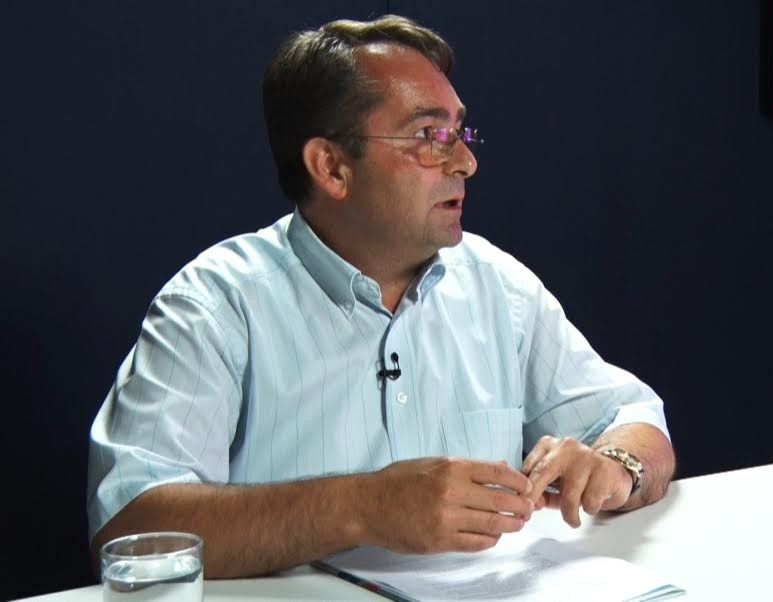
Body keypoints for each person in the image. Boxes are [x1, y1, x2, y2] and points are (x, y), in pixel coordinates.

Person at [87, 15, 675, 579]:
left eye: (460, 133)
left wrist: (614, 466)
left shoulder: (498, 286)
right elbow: (131, 527)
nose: (466, 162)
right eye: (429, 137)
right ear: (331, 167)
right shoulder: (215, 305)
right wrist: (363, 507)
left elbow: (635, 421)